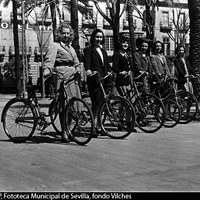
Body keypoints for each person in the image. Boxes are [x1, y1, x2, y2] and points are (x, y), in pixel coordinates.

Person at [43, 23, 81, 143]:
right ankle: (64, 131)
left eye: (68, 33)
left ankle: (70, 128)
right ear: (59, 34)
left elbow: (76, 62)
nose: (66, 35)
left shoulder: (71, 48)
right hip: (61, 76)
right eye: (63, 33)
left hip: (72, 77)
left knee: (74, 105)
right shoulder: (55, 45)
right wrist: (47, 69)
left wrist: (79, 69)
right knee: (64, 105)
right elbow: (50, 60)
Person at [83, 29, 112, 137]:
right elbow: (86, 63)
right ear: (93, 38)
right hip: (94, 80)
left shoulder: (103, 51)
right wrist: (88, 71)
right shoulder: (88, 50)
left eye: (100, 37)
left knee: (102, 104)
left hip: (104, 79)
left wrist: (109, 71)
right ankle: (94, 127)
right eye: (97, 37)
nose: (99, 39)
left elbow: (107, 64)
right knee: (96, 104)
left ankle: (100, 126)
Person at [112, 35, 137, 132]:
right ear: (120, 44)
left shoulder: (127, 55)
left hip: (128, 81)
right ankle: (121, 122)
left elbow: (130, 67)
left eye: (126, 43)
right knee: (124, 102)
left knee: (130, 102)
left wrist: (131, 71)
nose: (125, 44)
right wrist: (120, 72)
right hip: (121, 81)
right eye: (123, 43)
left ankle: (129, 122)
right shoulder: (117, 55)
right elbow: (114, 67)